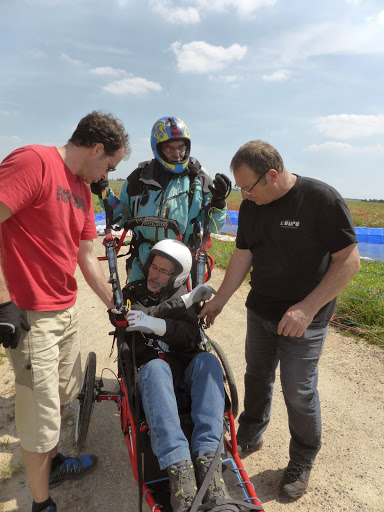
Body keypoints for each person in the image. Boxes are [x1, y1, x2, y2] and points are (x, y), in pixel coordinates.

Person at [199, 140, 360, 499]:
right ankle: (252, 432)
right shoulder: (254, 206)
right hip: (261, 312)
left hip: (307, 319)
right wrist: (220, 300)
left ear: (272, 175)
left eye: (248, 186)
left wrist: (308, 307)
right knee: (256, 376)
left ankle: (302, 458)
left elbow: (349, 261)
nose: (243, 194)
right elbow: (242, 255)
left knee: (298, 392)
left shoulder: (321, 199)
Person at [0, 111, 130, 512]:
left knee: (60, 396)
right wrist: (3, 300)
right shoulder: (34, 162)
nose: (107, 174)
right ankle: (42, 504)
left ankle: (54, 465)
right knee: (38, 420)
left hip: (65, 311)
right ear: (95, 148)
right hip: (31, 315)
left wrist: (118, 306)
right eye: (109, 164)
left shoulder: (82, 190)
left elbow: (86, 259)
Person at [113, 239, 230, 512]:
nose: (155, 275)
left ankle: (208, 462)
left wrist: (163, 321)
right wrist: (178, 307)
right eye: (153, 267)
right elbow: (134, 317)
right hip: (149, 374)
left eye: (164, 271)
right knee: (156, 366)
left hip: (183, 373)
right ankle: (179, 470)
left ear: (177, 276)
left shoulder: (186, 298)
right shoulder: (133, 291)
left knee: (209, 363)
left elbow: (191, 336)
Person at [91, 116, 231, 283]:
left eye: (181, 148)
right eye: (169, 149)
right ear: (157, 149)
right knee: (133, 307)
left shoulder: (198, 179)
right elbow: (121, 217)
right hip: (142, 262)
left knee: (180, 308)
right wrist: (104, 193)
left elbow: (214, 225)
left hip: (180, 265)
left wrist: (219, 202)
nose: (177, 154)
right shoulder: (138, 179)